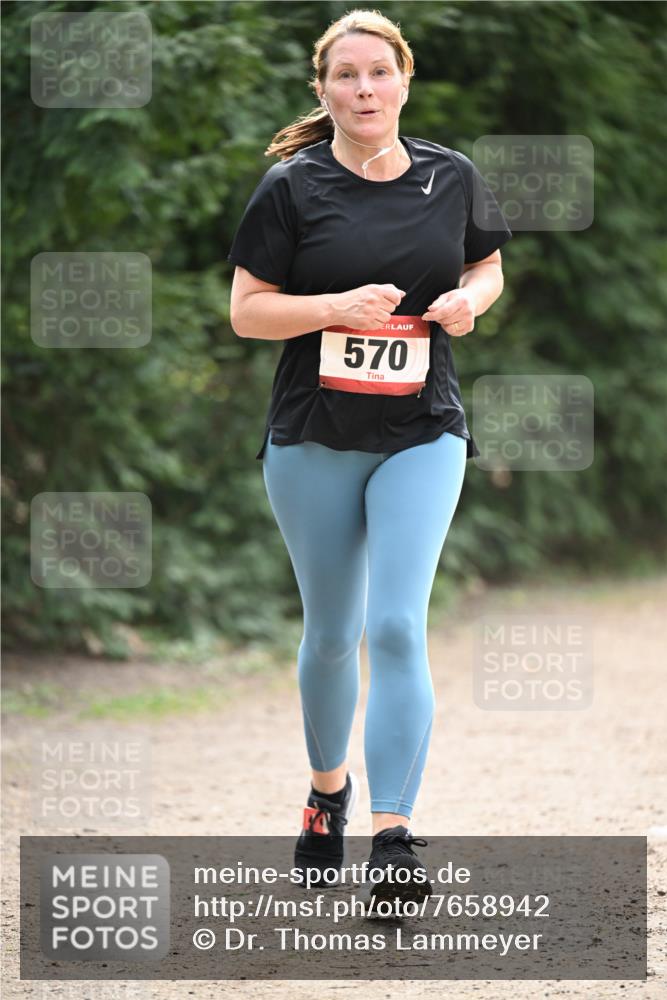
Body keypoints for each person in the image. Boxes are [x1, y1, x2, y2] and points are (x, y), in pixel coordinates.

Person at [228, 9, 511, 906]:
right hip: (312, 434)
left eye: (377, 74)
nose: (363, 90)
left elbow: (488, 268)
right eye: (344, 76)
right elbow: (247, 310)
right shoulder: (290, 187)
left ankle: (393, 835)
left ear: (403, 80)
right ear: (322, 90)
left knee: (394, 626)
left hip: (422, 427)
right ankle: (326, 795)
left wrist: (470, 301)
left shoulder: (451, 176)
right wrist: (330, 308)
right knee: (330, 635)